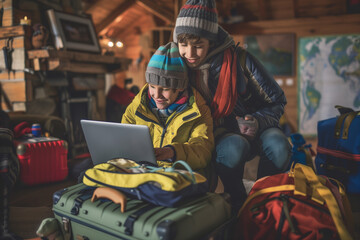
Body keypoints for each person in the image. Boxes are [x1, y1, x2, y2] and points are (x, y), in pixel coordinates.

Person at [173, 0, 292, 210]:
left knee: (280, 146)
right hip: (222, 132)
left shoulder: (241, 60)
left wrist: (257, 121)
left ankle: (267, 200)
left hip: (260, 125)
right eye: (183, 45)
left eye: (198, 45)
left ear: (212, 40)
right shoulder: (177, 65)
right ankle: (237, 202)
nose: (189, 53)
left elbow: (277, 100)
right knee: (233, 148)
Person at [121, 42, 215, 178]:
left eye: (165, 89)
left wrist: (173, 152)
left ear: (180, 88)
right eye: (152, 86)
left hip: (179, 177)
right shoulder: (138, 105)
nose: (156, 95)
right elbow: (123, 138)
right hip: (141, 173)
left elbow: (203, 152)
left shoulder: (199, 111)